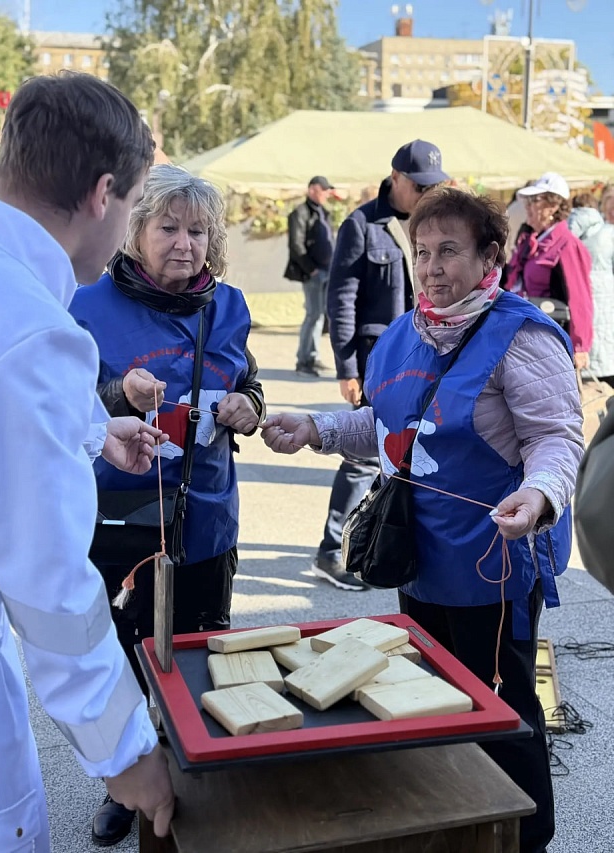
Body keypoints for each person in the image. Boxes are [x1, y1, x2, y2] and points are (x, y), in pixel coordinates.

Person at [261, 187, 583, 853]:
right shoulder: (405, 332)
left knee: (504, 710)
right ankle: (456, 827)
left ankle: (525, 838)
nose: (432, 267)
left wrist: (540, 493)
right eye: (422, 252)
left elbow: (558, 437)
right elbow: (384, 425)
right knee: (429, 699)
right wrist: (315, 428)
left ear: (489, 255)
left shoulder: (519, 335)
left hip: (493, 564)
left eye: (449, 251)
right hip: (419, 559)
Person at [0, 72, 175, 853]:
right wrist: (126, 753)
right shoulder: (36, 330)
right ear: (103, 194)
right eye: (133, 206)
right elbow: (51, 587)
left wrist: (92, 430)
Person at [70, 163, 266, 846]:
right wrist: (122, 393)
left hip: (205, 512)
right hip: (114, 518)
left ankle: (187, 774)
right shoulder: (88, 305)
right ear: (135, 230)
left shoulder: (230, 305)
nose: (186, 242)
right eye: (169, 227)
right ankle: (125, 778)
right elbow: (61, 407)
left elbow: (249, 382)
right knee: (119, 652)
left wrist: (250, 405)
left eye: (198, 230)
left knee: (194, 647)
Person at [313, 139, 450, 591]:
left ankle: (388, 544)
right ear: (395, 179)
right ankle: (332, 551)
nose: (427, 193)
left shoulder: (438, 224)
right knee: (360, 454)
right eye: (419, 185)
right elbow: (342, 299)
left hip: (429, 360)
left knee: (413, 452)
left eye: (434, 185)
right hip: (377, 361)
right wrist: (346, 368)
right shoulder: (362, 224)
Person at [504, 172, 593, 370]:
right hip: (526, 335)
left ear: (553, 205)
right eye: (528, 200)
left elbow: (580, 299)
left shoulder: (567, 244)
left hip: (550, 338)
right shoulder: (532, 239)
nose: (527, 206)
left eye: (535, 200)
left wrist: (580, 346)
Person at [285, 175, 336, 376]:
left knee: (318, 315)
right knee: (313, 315)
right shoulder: (301, 212)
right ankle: (304, 361)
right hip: (313, 273)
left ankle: (312, 357)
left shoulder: (322, 212)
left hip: (325, 271)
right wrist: (310, 269)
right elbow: (296, 245)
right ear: (313, 189)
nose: (326, 194)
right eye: (324, 190)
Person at [568, 193, 614, 387]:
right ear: (596, 208)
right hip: (608, 307)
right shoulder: (609, 233)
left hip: (578, 312)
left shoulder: (566, 234)